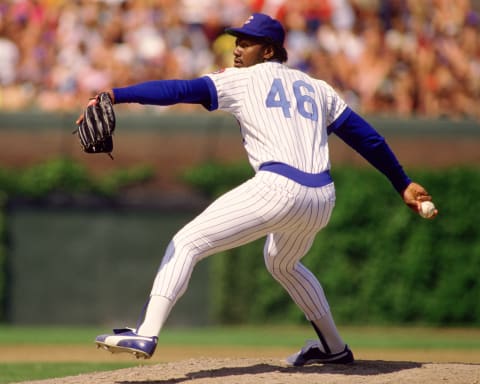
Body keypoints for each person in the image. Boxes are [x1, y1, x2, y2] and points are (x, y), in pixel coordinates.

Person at [79, 13, 438, 366]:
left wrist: (115, 93)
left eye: (246, 43)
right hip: (321, 198)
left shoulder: (243, 80)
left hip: (278, 188)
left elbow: (179, 90)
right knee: (282, 262)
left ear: (268, 51)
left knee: (187, 243)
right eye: (237, 42)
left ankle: (147, 331)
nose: (237, 50)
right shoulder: (319, 88)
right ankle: (333, 347)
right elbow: (368, 139)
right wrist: (402, 183)